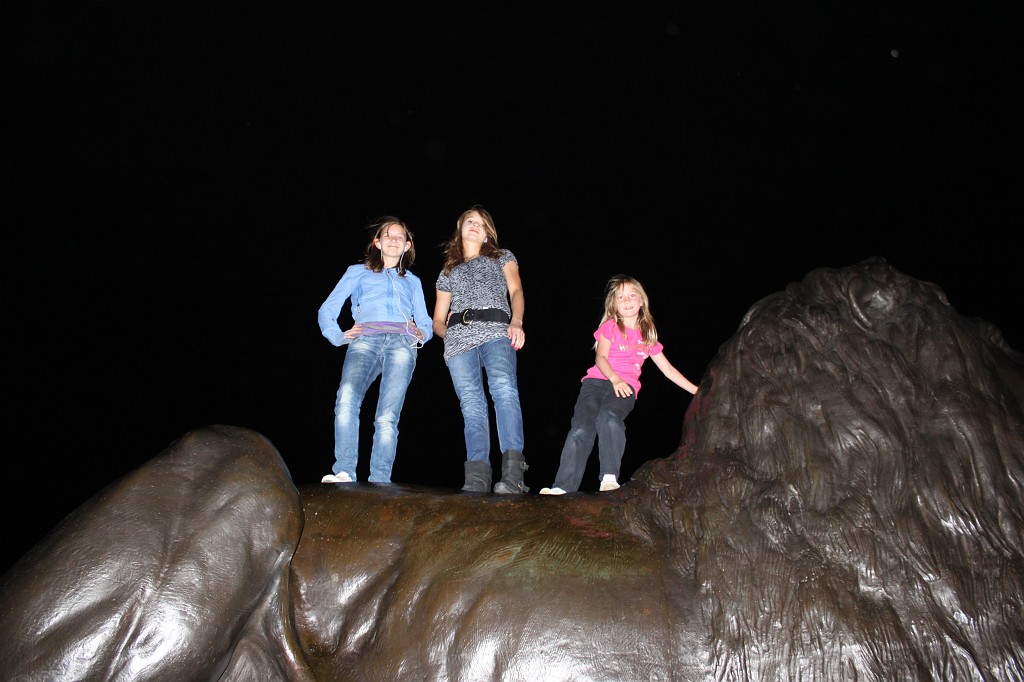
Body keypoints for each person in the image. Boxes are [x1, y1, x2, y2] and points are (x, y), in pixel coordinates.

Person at [539, 275, 699, 495]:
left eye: (632, 295)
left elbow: (669, 370)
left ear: (641, 301)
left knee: (609, 418)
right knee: (580, 428)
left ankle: (609, 478)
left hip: (626, 388)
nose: (627, 300)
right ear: (614, 304)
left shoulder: (648, 337)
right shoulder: (610, 326)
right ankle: (562, 487)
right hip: (597, 383)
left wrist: (697, 391)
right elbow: (600, 358)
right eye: (621, 297)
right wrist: (614, 378)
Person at [318, 216, 433, 484]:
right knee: (346, 398)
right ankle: (344, 470)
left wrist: (423, 333)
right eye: (388, 235)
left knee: (387, 416)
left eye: (400, 236)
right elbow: (328, 309)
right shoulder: (357, 272)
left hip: (401, 344)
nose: (394, 239)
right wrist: (338, 336)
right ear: (377, 242)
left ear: (407, 246)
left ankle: (380, 479)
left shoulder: (413, 282)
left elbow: (424, 318)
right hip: (365, 339)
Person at [433, 206, 528, 494]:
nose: (475, 226)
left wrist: (517, 321)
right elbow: (437, 319)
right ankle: (476, 478)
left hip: (497, 330)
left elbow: (516, 291)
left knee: (504, 390)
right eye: (470, 221)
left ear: (488, 234)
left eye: (481, 224)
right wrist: (447, 335)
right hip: (459, 339)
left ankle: (513, 475)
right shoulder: (448, 271)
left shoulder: (502, 257)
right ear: (460, 229)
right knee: (472, 405)